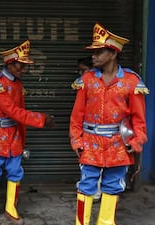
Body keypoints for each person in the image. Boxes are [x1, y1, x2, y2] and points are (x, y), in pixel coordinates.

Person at [70, 22, 148, 225]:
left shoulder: (131, 82)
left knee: (113, 186)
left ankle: (105, 222)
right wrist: (76, 141)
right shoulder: (87, 80)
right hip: (90, 143)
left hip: (119, 145)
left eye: (98, 52)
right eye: (93, 52)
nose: (93, 56)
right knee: (86, 185)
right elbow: (76, 116)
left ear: (113, 54)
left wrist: (137, 141)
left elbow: (139, 119)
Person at [0, 40, 55, 225]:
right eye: (21, 65)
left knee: (15, 173)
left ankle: (11, 208)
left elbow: (19, 113)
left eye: (25, 66)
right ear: (9, 63)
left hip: (14, 138)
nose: (23, 69)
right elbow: (13, 111)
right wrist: (42, 119)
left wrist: (23, 136)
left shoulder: (17, 84)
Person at [76, 56, 102, 202]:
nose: (82, 75)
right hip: (88, 133)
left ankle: (97, 193)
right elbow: (78, 114)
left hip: (102, 135)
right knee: (88, 166)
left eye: (84, 71)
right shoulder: (84, 84)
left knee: (101, 167)